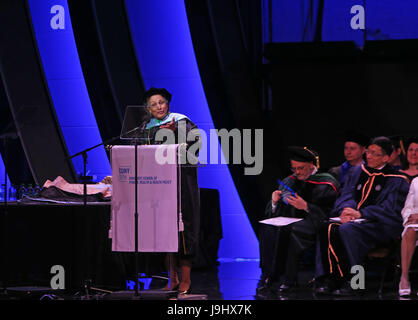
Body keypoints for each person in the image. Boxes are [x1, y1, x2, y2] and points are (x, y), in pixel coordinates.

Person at [314, 136, 410, 296]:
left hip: (380, 226)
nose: (369, 156)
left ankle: (356, 282)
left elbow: (391, 210)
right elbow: (346, 195)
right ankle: (330, 279)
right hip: (354, 221)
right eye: (369, 152)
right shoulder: (357, 171)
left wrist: (361, 213)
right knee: (327, 227)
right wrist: (347, 210)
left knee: (348, 230)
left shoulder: (397, 180)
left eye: (375, 154)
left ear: (386, 157)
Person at [139, 87, 200, 294]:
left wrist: (176, 133)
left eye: (162, 102)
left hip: (182, 183)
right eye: (154, 104)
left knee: (185, 229)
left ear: (168, 104)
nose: (158, 107)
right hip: (158, 185)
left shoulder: (181, 121)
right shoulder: (145, 128)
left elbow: (196, 144)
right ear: (148, 108)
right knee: (164, 231)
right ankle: (171, 278)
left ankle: (186, 279)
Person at [257, 146, 339, 295]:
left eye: (300, 168)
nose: (297, 172)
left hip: (316, 224)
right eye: (294, 168)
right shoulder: (289, 180)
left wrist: (306, 206)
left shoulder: (327, 182)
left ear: (311, 166)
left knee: (290, 231)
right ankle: (268, 276)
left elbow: (331, 212)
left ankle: (289, 279)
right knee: (267, 228)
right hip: (290, 223)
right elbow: (275, 210)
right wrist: (274, 202)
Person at [398, 177, 418, 296]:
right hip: (415, 221)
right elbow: (407, 207)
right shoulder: (416, 181)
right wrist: (408, 219)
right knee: (410, 231)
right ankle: (404, 277)